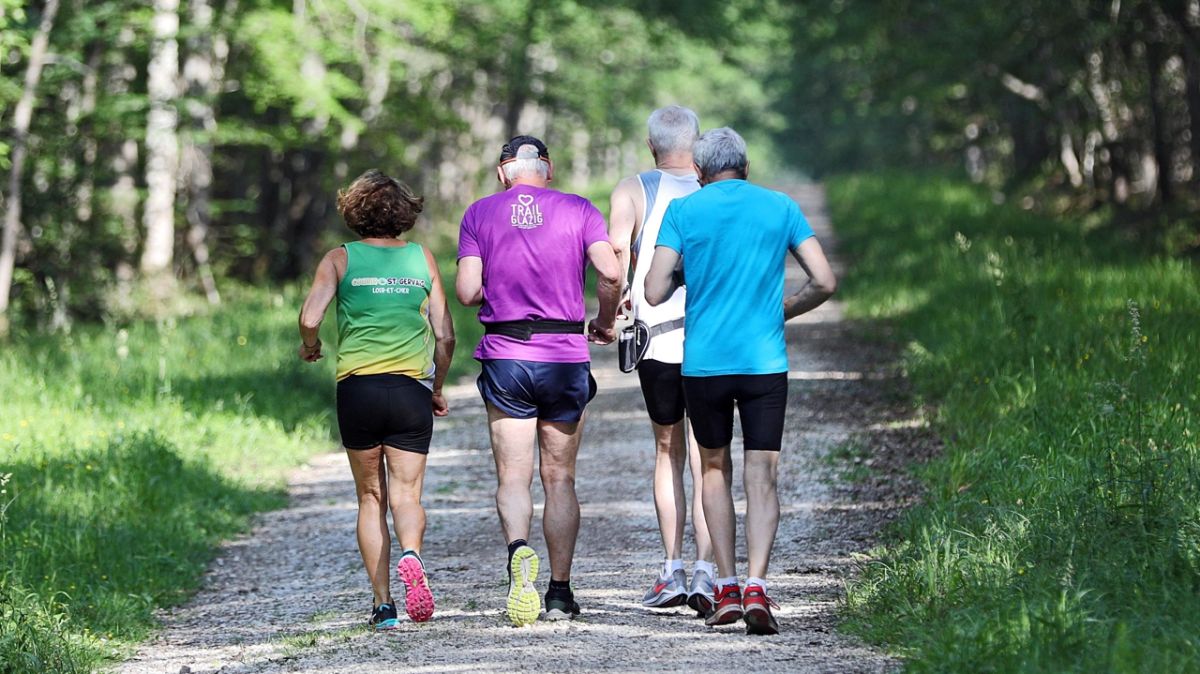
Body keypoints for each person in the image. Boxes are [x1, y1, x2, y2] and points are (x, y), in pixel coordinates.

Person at [644, 128, 837, 635]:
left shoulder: (685, 211)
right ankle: (757, 586)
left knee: (713, 471)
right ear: (746, 167)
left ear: (701, 174)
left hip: (704, 364)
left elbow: (654, 289)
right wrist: (783, 310)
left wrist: (689, 273)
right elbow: (825, 281)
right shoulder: (780, 206)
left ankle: (724, 587)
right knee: (762, 476)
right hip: (764, 363)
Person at [455, 135, 621, 625]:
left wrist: (501, 286)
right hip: (565, 356)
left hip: (507, 355)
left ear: (503, 171)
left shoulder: (479, 213)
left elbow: (466, 292)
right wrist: (605, 320)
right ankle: (559, 593)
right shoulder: (579, 209)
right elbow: (610, 274)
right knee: (560, 478)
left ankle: (518, 560)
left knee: (512, 477)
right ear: (546, 169)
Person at [298, 169, 456, 630]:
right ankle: (412, 554)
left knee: (371, 499)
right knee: (408, 495)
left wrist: (311, 346)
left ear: (354, 212)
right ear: (403, 212)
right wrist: (438, 387)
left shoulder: (339, 259)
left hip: (359, 389)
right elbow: (445, 335)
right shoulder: (421, 258)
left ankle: (384, 606)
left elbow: (311, 316)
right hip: (410, 389)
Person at [608, 105, 714, 615]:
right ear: (697, 143)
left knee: (667, 452)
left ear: (652, 147)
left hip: (656, 339)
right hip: (712, 337)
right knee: (708, 456)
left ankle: (671, 568)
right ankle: (708, 573)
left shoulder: (633, 189)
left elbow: (615, 259)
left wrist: (613, 309)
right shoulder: (716, 187)